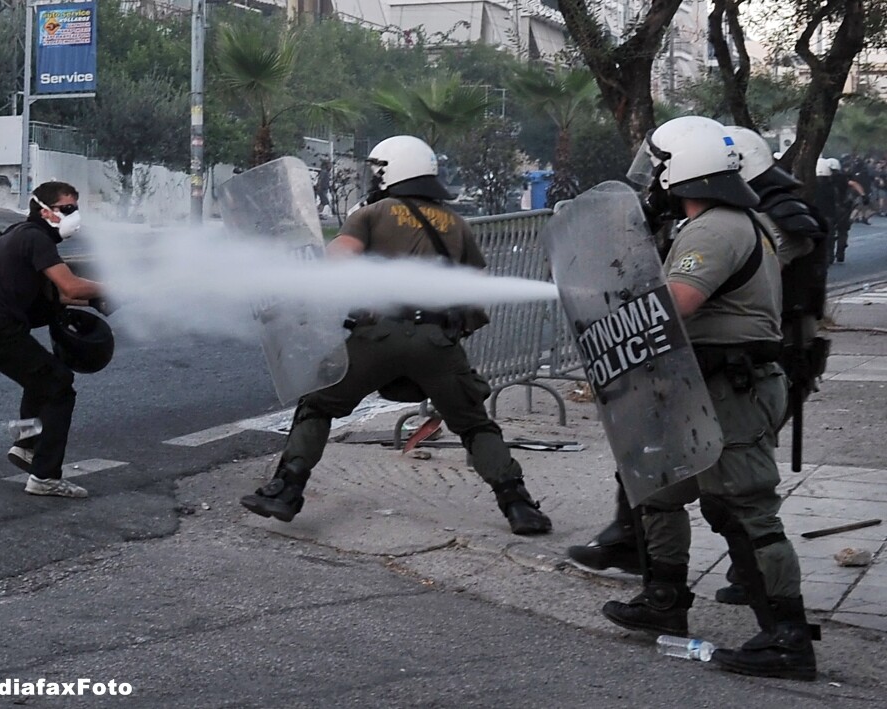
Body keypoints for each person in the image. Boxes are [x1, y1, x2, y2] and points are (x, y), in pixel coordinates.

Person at [239, 135, 552, 536]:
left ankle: (285, 491)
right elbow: (476, 290)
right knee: (475, 425)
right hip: (437, 342)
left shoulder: (372, 214)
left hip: (377, 337)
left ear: (391, 171)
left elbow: (340, 261)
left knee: (318, 405)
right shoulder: (455, 224)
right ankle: (520, 507)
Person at [599, 116, 817, 681]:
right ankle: (663, 600)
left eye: (659, 167)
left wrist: (607, 308)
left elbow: (678, 303)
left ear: (681, 172)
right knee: (661, 488)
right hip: (707, 387)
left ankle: (787, 639)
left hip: (732, 391)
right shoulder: (738, 219)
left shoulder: (716, 228)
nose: (653, 180)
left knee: (744, 510)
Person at [0, 181, 112, 499]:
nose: (74, 216)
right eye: (67, 209)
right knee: (59, 385)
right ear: (45, 211)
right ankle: (45, 476)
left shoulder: (20, 235)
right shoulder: (35, 237)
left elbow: (54, 295)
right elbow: (69, 287)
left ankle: (27, 445)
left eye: (75, 209)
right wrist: (110, 288)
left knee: (40, 378)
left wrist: (95, 300)